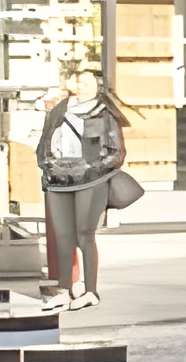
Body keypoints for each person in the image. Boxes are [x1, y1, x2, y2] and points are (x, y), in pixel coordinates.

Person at [36, 65, 127, 311]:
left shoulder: (104, 113)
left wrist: (89, 168)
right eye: (81, 81)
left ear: (97, 86)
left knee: (85, 235)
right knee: (63, 237)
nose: (84, 86)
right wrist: (48, 166)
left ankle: (90, 291)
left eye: (90, 82)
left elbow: (116, 153)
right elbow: (44, 143)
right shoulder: (59, 110)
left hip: (90, 180)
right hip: (59, 180)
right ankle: (64, 290)